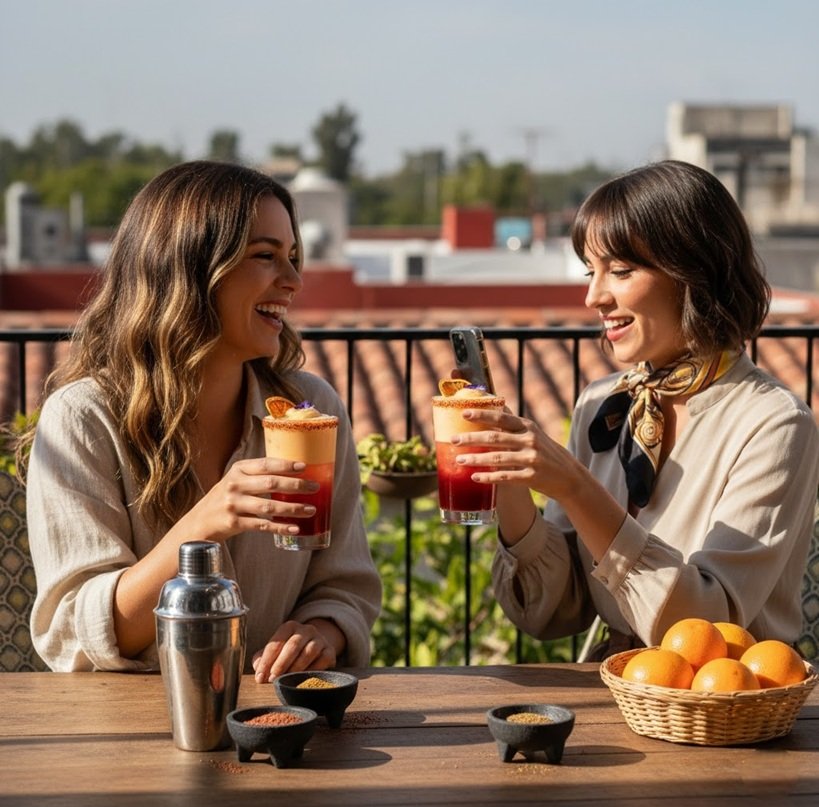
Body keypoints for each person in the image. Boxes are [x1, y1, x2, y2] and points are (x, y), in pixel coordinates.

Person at [24, 160, 381, 680]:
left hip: (282, 725)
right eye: (266, 256)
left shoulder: (312, 413)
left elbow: (345, 584)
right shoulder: (83, 419)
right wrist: (205, 524)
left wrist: (320, 631)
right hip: (131, 735)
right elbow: (77, 634)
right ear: (189, 269)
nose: (294, 280)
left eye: (294, 258)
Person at [450, 159, 819, 659]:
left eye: (620, 271)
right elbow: (556, 610)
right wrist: (511, 479)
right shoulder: (603, 405)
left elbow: (704, 633)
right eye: (591, 270)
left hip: (730, 709)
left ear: (693, 272)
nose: (593, 296)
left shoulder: (774, 425)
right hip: (617, 692)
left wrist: (576, 486)